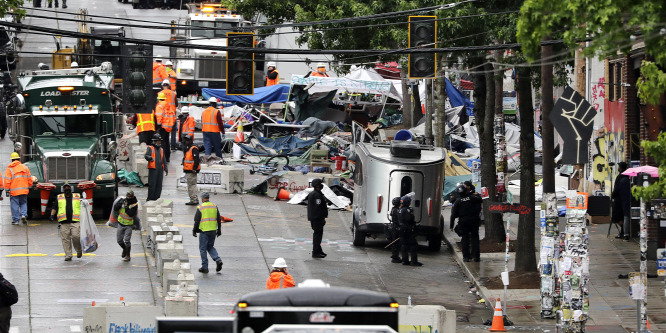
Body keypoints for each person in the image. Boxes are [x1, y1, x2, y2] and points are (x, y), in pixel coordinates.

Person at [450, 184, 483, 262]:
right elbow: (480, 200)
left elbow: (453, 214)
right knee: (475, 238)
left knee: (465, 239)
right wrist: (476, 194)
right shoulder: (473, 197)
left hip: (463, 222)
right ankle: (476, 256)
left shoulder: (458, 201)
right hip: (474, 220)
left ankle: (466, 257)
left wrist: (451, 225)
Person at [50, 183, 82, 261]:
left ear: (71, 189)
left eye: (68, 188)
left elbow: (84, 206)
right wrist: (51, 216)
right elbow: (54, 207)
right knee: (65, 239)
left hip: (75, 221)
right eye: (65, 188)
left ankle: (79, 250)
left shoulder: (77, 197)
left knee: (76, 237)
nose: (67, 189)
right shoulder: (59, 198)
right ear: (63, 190)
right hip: (64, 222)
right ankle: (68, 255)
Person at [192, 192, 223, 274]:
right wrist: (219, 230)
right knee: (210, 247)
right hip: (213, 230)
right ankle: (217, 259)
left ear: (202, 198)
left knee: (202, 249)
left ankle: (205, 267)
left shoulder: (200, 207)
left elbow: (197, 221)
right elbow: (219, 219)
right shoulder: (214, 206)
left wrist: (194, 231)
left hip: (204, 231)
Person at [4, 152, 32, 225]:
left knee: (15, 205)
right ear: (19, 159)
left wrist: (7, 190)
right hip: (24, 190)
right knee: (23, 203)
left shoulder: (9, 169)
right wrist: (30, 186)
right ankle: (23, 215)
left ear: (12, 160)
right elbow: (29, 178)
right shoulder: (25, 167)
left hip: (14, 191)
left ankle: (16, 220)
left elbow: (7, 180)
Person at [114, 190, 138, 262]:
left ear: (133, 196)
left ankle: (128, 255)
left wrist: (126, 207)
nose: (128, 197)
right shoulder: (123, 201)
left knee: (127, 241)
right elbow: (115, 208)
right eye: (127, 196)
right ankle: (125, 249)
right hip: (121, 224)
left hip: (129, 225)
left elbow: (131, 214)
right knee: (119, 240)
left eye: (130, 196)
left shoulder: (134, 204)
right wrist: (120, 204)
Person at [307, 178, 328, 258]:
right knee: (317, 236)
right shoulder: (317, 195)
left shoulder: (315, 193)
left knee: (318, 235)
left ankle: (318, 250)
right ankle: (315, 252)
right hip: (317, 219)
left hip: (316, 218)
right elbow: (318, 207)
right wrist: (322, 218)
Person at [399, 195, 422, 266]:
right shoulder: (407, 210)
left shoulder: (400, 210)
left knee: (404, 245)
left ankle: (405, 260)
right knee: (413, 245)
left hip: (401, 230)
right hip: (407, 229)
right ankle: (413, 261)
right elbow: (409, 219)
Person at [145, 133, 168, 201]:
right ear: (155, 141)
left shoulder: (161, 149)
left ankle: (157, 198)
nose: (160, 142)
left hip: (160, 169)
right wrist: (150, 158)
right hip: (153, 169)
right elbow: (146, 156)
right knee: (152, 184)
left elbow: (164, 159)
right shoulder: (150, 148)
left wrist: (166, 168)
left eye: (160, 141)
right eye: (158, 141)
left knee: (159, 185)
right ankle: (150, 198)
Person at [612, 162, 631, 240]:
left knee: (616, 217)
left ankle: (623, 231)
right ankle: (623, 231)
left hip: (619, 200)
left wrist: (613, 195)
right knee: (622, 216)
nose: (618, 168)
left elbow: (616, 188)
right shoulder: (627, 176)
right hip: (624, 199)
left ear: (621, 168)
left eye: (619, 166)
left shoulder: (620, 177)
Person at [156, 88, 176, 162]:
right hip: (168, 127)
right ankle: (167, 158)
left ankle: (163, 158)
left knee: (162, 143)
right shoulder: (168, 106)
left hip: (162, 127)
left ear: (159, 99)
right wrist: (170, 125)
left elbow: (159, 117)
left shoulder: (159, 106)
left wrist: (158, 125)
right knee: (167, 142)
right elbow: (173, 117)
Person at [183, 139, 201, 206]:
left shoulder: (193, 149)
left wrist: (194, 168)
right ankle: (193, 199)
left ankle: (194, 200)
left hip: (191, 171)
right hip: (189, 170)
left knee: (191, 186)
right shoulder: (189, 148)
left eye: (187, 140)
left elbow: (196, 160)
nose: (186, 142)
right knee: (191, 185)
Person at [388, 197, 402, 263]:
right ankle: (395, 257)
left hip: (394, 227)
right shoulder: (397, 210)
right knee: (396, 243)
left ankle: (395, 256)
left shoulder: (393, 209)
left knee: (394, 242)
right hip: (396, 228)